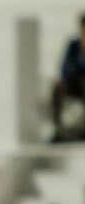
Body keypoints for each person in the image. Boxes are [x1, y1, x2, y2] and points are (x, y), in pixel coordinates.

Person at [52, 14, 85, 143]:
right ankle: (59, 129)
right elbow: (65, 68)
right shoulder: (73, 45)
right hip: (74, 83)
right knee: (57, 87)